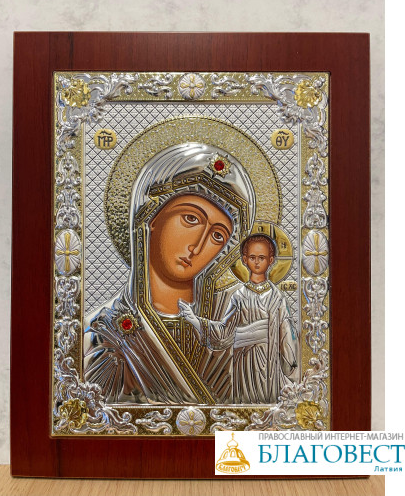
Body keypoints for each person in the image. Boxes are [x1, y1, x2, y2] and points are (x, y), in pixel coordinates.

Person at [83, 143, 256, 404]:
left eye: (217, 236)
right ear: (151, 218)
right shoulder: (103, 332)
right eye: (191, 219)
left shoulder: (233, 327)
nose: (197, 246)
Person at [179, 233, 300, 404]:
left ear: (271, 260)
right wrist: (194, 320)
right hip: (244, 361)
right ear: (244, 260)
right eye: (252, 257)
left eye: (262, 258)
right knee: (246, 400)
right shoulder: (239, 296)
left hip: (269, 361)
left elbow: (286, 333)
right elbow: (225, 332)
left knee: (268, 399)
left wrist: (291, 366)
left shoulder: (277, 297)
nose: (257, 262)